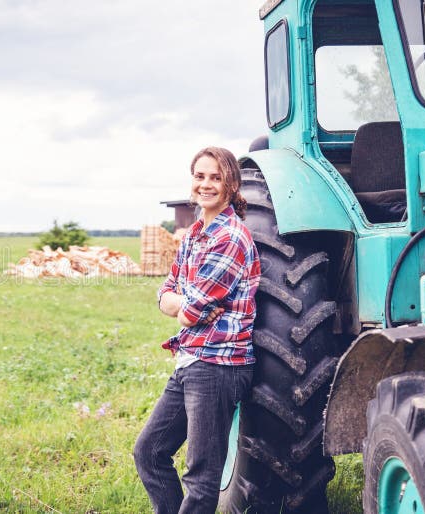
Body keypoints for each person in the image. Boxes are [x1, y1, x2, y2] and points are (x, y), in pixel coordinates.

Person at [134, 147, 260, 514]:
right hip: (192, 359)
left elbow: (190, 311)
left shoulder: (231, 238)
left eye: (215, 178)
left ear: (231, 184)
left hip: (218, 366)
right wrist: (178, 302)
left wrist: (181, 303)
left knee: (202, 475)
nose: (205, 184)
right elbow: (166, 294)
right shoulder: (193, 235)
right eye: (200, 176)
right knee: (149, 452)